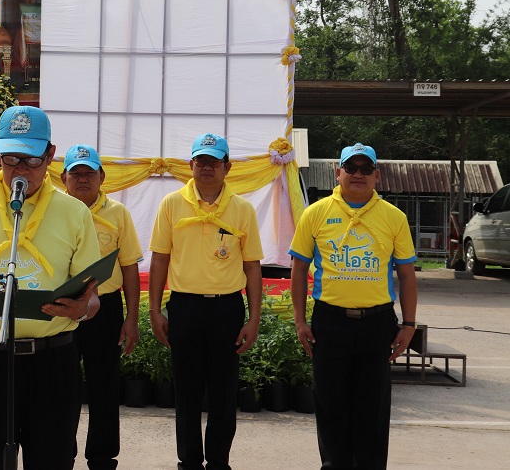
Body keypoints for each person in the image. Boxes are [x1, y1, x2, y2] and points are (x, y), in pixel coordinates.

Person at [0, 105, 102, 469]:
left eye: (31, 160)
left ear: (50, 156)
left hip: (53, 359)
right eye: (10, 159)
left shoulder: (75, 213)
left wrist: (83, 308)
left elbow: (93, 298)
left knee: (53, 459)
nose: (20, 170)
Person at [289, 143, 417, 470]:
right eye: (351, 167)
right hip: (330, 322)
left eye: (365, 168)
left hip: (377, 324)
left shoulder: (394, 217)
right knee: (331, 407)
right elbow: (300, 269)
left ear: (377, 175)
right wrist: (301, 321)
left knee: (372, 410)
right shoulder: (315, 213)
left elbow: (405, 273)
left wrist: (409, 325)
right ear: (338, 172)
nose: (358, 174)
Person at [148, 133, 263, 470]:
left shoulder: (242, 209)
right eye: (201, 161)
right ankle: (189, 462)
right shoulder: (171, 204)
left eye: (215, 161)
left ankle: (218, 462)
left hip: (227, 308)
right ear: (191, 166)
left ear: (227, 167)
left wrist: (253, 318)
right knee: (186, 391)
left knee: (224, 393)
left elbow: (252, 266)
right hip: (185, 307)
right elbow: (159, 259)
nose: (207, 167)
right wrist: (155, 310)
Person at [59, 144, 142, 470]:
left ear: (101, 176)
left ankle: (103, 457)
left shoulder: (118, 213)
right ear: (63, 177)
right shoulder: (54, 210)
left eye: (88, 173)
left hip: (105, 309)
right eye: (75, 173)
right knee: (60, 384)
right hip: (62, 306)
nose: (82, 179)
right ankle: (60, 451)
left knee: (104, 385)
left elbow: (130, 267)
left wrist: (132, 318)